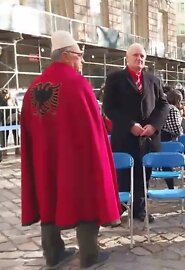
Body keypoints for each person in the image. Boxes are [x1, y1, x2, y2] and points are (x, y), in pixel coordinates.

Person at [21, 31, 120, 269]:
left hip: (44, 161)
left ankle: (53, 254)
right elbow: (94, 129)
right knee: (85, 198)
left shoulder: (32, 88)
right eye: (79, 56)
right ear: (66, 56)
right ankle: (89, 256)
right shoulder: (77, 84)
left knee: (48, 197)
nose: (82, 61)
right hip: (78, 160)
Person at [103, 43, 169, 223]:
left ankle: (139, 210)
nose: (139, 59)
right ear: (127, 57)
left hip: (148, 138)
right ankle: (118, 209)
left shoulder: (153, 80)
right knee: (123, 175)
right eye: (135, 55)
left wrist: (154, 126)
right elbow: (109, 108)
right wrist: (130, 125)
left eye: (142, 56)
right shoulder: (115, 78)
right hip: (124, 136)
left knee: (144, 176)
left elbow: (163, 105)